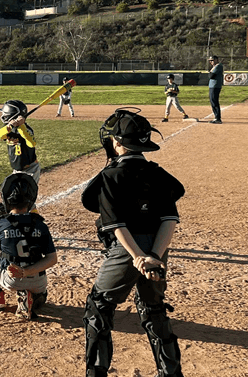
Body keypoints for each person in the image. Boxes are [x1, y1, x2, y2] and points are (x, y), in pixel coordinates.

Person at [81, 108, 185, 377]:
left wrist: (137, 256)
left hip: (127, 249)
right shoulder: (159, 174)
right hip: (158, 247)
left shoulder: (110, 176)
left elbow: (117, 225)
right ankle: (171, 373)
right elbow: (169, 219)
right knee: (154, 309)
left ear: (117, 143)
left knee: (99, 306)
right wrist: (154, 256)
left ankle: (96, 373)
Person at [0, 173, 58, 320]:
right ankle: (32, 298)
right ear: (31, 198)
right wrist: (26, 272)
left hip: (12, 279)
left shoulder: (0, 223)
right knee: (41, 293)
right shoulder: (40, 224)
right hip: (38, 281)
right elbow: (52, 259)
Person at [0, 100, 40, 183]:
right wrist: (10, 126)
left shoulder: (26, 130)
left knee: (27, 191)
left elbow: (32, 143)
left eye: (5, 114)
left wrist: (21, 126)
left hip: (30, 169)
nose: (3, 116)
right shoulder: (8, 129)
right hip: (16, 169)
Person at [207, 55, 223, 124]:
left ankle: (217, 118)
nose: (210, 62)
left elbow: (211, 76)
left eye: (212, 60)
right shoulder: (214, 67)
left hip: (215, 86)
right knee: (213, 101)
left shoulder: (218, 66)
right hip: (213, 86)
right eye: (210, 61)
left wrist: (210, 72)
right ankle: (216, 117)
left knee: (214, 101)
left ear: (216, 60)